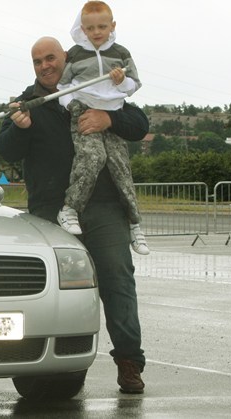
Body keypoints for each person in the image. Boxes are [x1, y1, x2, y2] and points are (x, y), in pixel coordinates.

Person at [0, 36, 148, 394]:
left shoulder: (94, 89)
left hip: (104, 206)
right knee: (54, 293)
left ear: (65, 58)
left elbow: (139, 123)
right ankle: (52, 368)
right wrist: (20, 127)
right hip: (51, 214)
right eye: (37, 62)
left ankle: (129, 363)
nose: (45, 66)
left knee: (118, 284)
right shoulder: (27, 104)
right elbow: (5, 150)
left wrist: (108, 118)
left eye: (51, 58)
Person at [55, 1, 149, 255]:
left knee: (120, 167)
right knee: (93, 157)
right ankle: (69, 209)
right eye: (91, 28)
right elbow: (63, 86)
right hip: (83, 111)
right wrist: (70, 105)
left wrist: (122, 82)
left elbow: (134, 85)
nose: (97, 32)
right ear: (82, 29)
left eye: (102, 27)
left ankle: (135, 225)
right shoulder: (74, 54)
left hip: (114, 112)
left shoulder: (120, 52)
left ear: (112, 26)